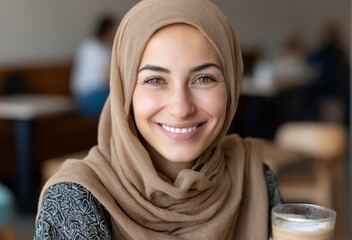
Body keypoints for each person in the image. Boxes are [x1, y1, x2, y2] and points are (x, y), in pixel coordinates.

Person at [35, 0, 282, 239]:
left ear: (231, 85)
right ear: (125, 91)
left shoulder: (255, 178)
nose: (181, 108)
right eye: (155, 80)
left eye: (204, 78)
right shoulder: (76, 201)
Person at [70, 14, 115, 117]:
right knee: (121, 103)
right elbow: (109, 74)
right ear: (107, 30)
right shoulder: (93, 48)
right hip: (88, 96)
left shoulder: (91, 46)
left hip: (88, 94)